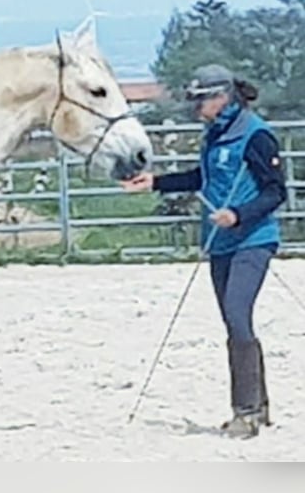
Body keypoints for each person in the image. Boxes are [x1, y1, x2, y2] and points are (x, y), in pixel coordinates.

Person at [120, 63, 287, 438]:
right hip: (219, 243)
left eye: (201, 100)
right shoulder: (215, 135)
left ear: (222, 96)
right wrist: (155, 183)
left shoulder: (257, 136)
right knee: (234, 322)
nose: (196, 108)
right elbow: (203, 178)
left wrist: (238, 214)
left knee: (236, 313)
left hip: (254, 239)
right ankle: (259, 406)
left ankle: (245, 412)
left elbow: (276, 191)